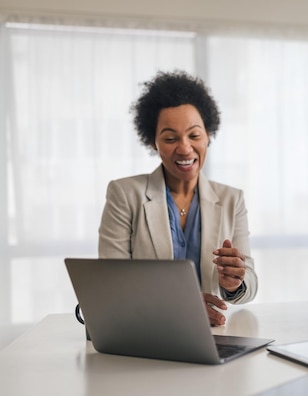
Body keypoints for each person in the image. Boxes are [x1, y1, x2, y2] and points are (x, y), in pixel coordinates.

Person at [98, 70, 257, 326]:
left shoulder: (231, 199)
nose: (184, 148)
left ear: (208, 136)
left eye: (194, 135)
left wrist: (234, 284)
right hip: (147, 331)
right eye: (170, 138)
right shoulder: (124, 195)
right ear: (153, 142)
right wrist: (182, 309)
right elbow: (112, 282)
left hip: (213, 335)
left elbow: (249, 281)